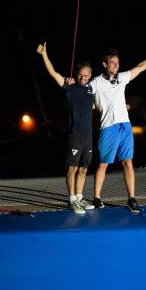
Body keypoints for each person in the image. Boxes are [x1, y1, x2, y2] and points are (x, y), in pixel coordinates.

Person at [89, 43, 146, 213]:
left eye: (117, 62)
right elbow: (82, 95)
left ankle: (131, 198)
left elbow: (140, 67)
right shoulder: (96, 82)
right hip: (108, 127)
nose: (115, 65)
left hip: (125, 126)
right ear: (104, 64)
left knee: (128, 162)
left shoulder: (122, 77)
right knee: (103, 164)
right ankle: (97, 198)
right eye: (112, 63)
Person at [37, 42, 95, 214]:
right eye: (81, 75)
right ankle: (71, 200)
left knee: (84, 168)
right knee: (72, 168)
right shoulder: (69, 87)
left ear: (90, 75)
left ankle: (79, 197)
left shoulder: (91, 89)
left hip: (88, 134)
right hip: (75, 134)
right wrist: (44, 55)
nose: (83, 78)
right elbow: (53, 73)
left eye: (86, 75)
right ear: (76, 75)